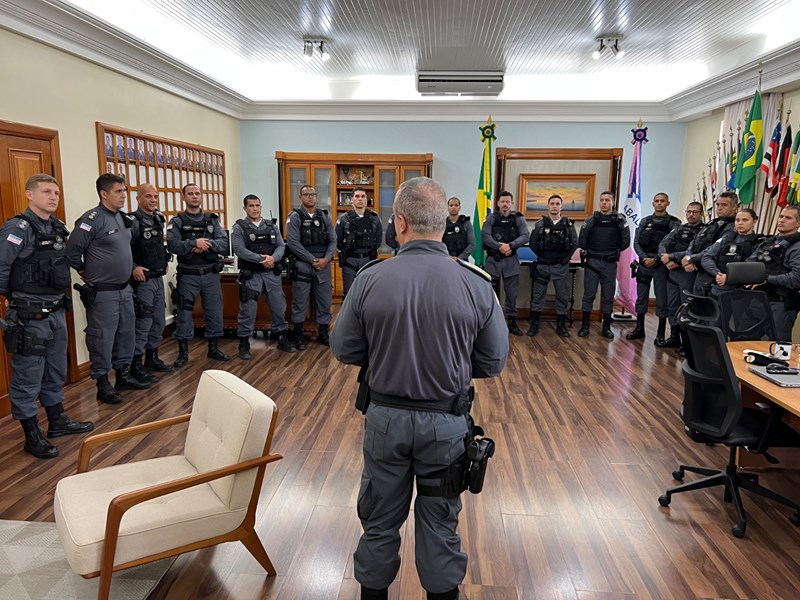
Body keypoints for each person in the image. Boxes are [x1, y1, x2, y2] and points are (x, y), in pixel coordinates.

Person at [329, 176, 509, 600]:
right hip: (446, 426)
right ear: (443, 225)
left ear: (400, 223)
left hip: (385, 421)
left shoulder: (371, 278)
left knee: (378, 520)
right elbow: (492, 361)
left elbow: (344, 348)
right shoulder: (476, 283)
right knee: (440, 524)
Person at [0, 174, 93, 458]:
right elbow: (1, 268)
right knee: (28, 377)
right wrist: (13, 299)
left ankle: (57, 421)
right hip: (29, 316)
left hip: (54, 312)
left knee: (55, 371)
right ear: (29, 195)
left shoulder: (56, 227)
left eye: (56, 192)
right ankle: (31, 435)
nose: (53, 197)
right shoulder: (18, 228)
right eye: (46, 192)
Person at [66, 173, 150, 404]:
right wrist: (85, 270)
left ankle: (122, 376)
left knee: (126, 334)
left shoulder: (122, 219)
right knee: (102, 338)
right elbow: (72, 252)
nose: (123, 196)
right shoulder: (91, 219)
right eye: (118, 192)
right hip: (103, 292)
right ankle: (102, 383)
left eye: (124, 191)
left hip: (124, 289)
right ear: (104, 194)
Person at [167, 183, 230, 366]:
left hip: (210, 273)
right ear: (184, 197)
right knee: (184, 313)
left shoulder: (212, 220)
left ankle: (213, 348)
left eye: (197, 193)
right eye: (191, 194)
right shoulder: (176, 221)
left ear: (201, 197)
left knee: (214, 312)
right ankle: (183, 353)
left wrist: (206, 245)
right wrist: (193, 243)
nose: (195, 197)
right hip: (188, 275)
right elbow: (173, 245)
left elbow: (223, 243)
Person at [232, 194, 295, 357]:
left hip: (271, 275)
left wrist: (273, 258)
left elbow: (281, 246)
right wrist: (261, 259)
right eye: (251, 206)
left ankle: (282, 338)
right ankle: (244, 343)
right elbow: (239, 250)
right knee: (248, 311)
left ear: (261, 206)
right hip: (252, 275)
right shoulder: (239, 227)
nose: (255, 209)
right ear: (245, 208)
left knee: (278, 307)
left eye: (257, 205)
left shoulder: (271, 226)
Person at [285, 185, 336, 348]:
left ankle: (323, 333)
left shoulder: (324, 216)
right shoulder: (294, 217)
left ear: (316, 197)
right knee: (300, 302)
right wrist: (312, 260)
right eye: (306, 194)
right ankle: (299, 335)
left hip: (323, 264)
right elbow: (293, 242)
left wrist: (326, 259)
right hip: (303, 264)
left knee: (325, 301)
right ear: (300, 197)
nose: (310, 197)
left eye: (313, 194)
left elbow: (333, 240)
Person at [130, 183, 172, 381]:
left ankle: (152, 358)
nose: (153, 200)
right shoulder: (132, 221)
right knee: (143, 322)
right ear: (138, 198)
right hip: (143, 281)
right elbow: (122, 250)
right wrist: (133, 267)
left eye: (155, 196)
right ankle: (136, 365)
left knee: (158, 320)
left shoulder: (158, 219)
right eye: (148, 196)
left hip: (158, 277)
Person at [627, 192, 681, 343]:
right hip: (644, 264)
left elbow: (673, 245)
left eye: (662, 201)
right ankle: (639, 329)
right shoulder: (645, 221)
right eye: (656, 201)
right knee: (641, 297)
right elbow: (636, 242)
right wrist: (644, 258)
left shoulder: (674, 223)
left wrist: (656, 259)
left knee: (662, 299)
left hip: (661, 265)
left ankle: (660, 333)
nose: (659, 203)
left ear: (667, 203)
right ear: (653, 203)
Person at [577, 191, 630, 339]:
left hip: (610, 263)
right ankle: (585, 326)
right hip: (593, 262)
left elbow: (625, 243)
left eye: (607, 200)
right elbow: (582, 242)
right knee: (588, 295)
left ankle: (606, 327)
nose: (604, 202)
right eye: (602, 200)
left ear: (613, 203)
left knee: (608, 296)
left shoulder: (619, 221)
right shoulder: (591, 220)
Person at [527, 194, 578, 337]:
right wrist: (542, 257)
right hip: (543, 265)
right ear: (548, 206)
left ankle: (561, 326)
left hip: (560, 266)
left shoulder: (568, 224)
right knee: (538, 295)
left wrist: (565, 259)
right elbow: (532, 243)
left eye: (557, 204)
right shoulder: (540, 224)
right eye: (552, 203)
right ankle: (535, 325)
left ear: (561, 206)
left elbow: (575, 243)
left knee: (562, 296)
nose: (554, 206)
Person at [747, 205, 800, 341]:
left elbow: (796, 279)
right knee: (744, 343)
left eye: (788, 218)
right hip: (757, 300)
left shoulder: (797, 247)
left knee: (777, 348)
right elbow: (749, 263)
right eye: (781, 216)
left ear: (798, 223)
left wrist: (766, 278)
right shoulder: (768, 242)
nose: (782, 220)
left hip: (780, 303)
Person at [481, 190, 529, 335]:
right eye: (502, 202)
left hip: (511, 260)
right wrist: (500, 246)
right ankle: (487, 323)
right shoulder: (491, 218)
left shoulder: (518, 219)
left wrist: (511, 245)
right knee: (488, 291)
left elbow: (525, 235)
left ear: (512, 203)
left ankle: (512, 323)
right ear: (497, 203)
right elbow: (485, 236)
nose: (505, 204)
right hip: (493, 259)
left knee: (511, 293)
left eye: (508, 202)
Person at [658, 201, 704, 348]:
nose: (691, 215)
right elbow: (663, 244)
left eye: (695, 212)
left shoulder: (703, 231)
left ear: (701, 214)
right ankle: (674, 336)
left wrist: (672, 257)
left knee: (687, 308)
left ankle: (687, 343)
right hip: (672, 272)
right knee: (673, 306)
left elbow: (695, 251)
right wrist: (665, 259)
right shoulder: (678, 228)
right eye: (689, 211)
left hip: (688, 274)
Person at [681, 191, 738, 295]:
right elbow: (695, 241)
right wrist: (688, 257)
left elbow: (714, 248)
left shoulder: (733, 226)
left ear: (734, 207)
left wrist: (691, 258)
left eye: (724, 205)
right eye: (718, 204)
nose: (719, 208)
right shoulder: (713, 222)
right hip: (699, 270)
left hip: (713, 272)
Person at [700, 208, 762, 296]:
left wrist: (729, 278)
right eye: (737, 220)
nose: (740, 223)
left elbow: (752, 267)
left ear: (754, 221)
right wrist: (717, 274)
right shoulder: (725, 239)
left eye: (745, 220)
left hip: (742, 292)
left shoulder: (758, 242)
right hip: (718, 288)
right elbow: (706, 257)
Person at [336, 187, 382, 297]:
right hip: (349, 261)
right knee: (348, 294)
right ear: (351, 199)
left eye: (363, 196)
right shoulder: (343, 219)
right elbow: (337, 241)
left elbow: (378, 240)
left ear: (366, 199)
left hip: (367, 260)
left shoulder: (374, 218)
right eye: (357, 196)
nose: (360, 199)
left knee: (367, 294)